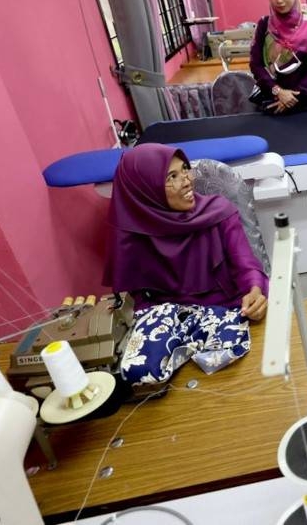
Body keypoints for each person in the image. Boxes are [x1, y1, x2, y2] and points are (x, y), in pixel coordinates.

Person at [104, 144, 268, 387]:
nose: (187, 181)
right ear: (145, 189)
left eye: (185, 170)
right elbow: (137, 304)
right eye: (172, 177)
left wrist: (256, 292)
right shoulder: (131, 234)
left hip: (231, 313)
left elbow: (246, 266)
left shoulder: (218, 211)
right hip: (170, 329)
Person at [249, 0, 307, 219]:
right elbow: (255, 63)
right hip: (276, 103)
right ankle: (291, 204)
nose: (279, 0)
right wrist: (277, 91)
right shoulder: (264, 26)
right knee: (282, 157)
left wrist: (293, 96)